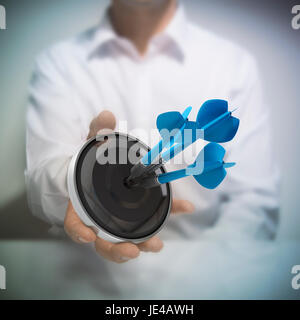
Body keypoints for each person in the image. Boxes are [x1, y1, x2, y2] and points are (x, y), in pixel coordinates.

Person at [25, 0, 280, 264]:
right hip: (78, 275)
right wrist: (76, 182)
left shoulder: (234, 65)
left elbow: (255, 201)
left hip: (200, 277)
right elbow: (40, 179)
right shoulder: (59, 63)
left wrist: (202, 272)